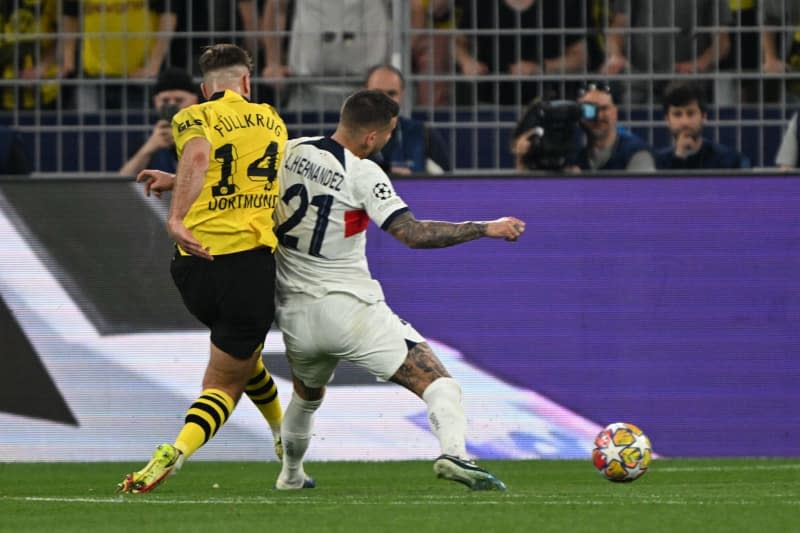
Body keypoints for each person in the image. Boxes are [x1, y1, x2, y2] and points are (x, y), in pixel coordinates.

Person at [271, 89, 525, 491]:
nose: (390, 139)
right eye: (389, 132)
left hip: (294, 314)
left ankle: (290, 476)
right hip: (351, 311)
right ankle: (456, 454)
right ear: (371, 137)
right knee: (441, 384)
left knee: (306, 397)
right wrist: (484, 227)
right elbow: (412, 233)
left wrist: (177, 181)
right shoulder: (363, 172)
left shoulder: (290, 151)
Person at [117, 44, 288, 494]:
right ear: (246, 83)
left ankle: (283, 436)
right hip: (248, 268)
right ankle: (177, 451)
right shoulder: (272, 119)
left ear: (203, 88)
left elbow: (204, 163)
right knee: (223, 384)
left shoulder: (194, 115)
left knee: (240, 355)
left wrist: (175, 193)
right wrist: (174, 216)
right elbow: (206, 160)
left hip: (194, 269)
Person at [260, 0, 391, 110]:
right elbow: (277, 7)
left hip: (371, 88)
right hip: (305, 90)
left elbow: (409, 10)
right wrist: (272, 63)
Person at [454, 0, 586, 105]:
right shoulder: (481, 4)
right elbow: (457, 42)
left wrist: (540, 68)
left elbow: (580, 58)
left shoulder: (563, 4)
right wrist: (467, 62)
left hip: (552, 106)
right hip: (491, 105)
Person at [602, 0, 732, 105]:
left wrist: (699, 64)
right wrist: (615, 55)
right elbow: (617, 29)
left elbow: (723, 43)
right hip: (639, 81)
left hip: (688, 81)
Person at [60, 0, 177, 111]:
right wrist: (68, 60)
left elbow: (168, 14)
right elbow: (69, 13)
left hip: (138, 75)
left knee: (136, 127)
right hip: (91, 73)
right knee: (88, 128)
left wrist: (153, 64)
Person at [365, 64, 451, 174]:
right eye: (377, 93)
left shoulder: (425, 135)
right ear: (364, 94)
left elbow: (449, 184)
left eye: (391, 93)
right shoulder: (349, 138)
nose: (385, 101)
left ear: (402, 95)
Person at [119, 68, 200, 176]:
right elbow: (122, 180)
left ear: (194, 100)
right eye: (165, 101)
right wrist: (149, 148)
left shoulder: (209, 130)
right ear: (155, 101)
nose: (171, 105)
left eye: (179, 100)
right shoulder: (147, 136)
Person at [654, 81, 751, 170]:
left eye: (690, 113)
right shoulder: (657, 165)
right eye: (677, 114)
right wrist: (679, 158)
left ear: (703, 116)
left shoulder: (731, 162)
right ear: (667, 120)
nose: (684, 122)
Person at [572, 81, 655, 172]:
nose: (598, 116)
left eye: (604, 108)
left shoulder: (636, 153)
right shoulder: (575, 157)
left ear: (615, 112)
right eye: (589, 110)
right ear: (579, 115)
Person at [0, 0, 60, 110]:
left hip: (45, 93)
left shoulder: (52, 3)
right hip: (4, 93)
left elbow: (66, 40)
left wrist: (40, 69)